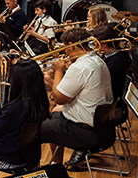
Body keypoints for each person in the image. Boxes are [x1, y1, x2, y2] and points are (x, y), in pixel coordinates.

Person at [39, 27, 113, 164]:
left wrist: (59, 70)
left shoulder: (80, 67)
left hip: (86, 132)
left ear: (72, 46)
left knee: (34, 129)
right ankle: (56, 164)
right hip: (102, 128)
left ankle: (34, 171)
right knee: (54, 114)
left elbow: (59, 98)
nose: (64, 51)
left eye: (65, 47)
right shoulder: (97, 60)